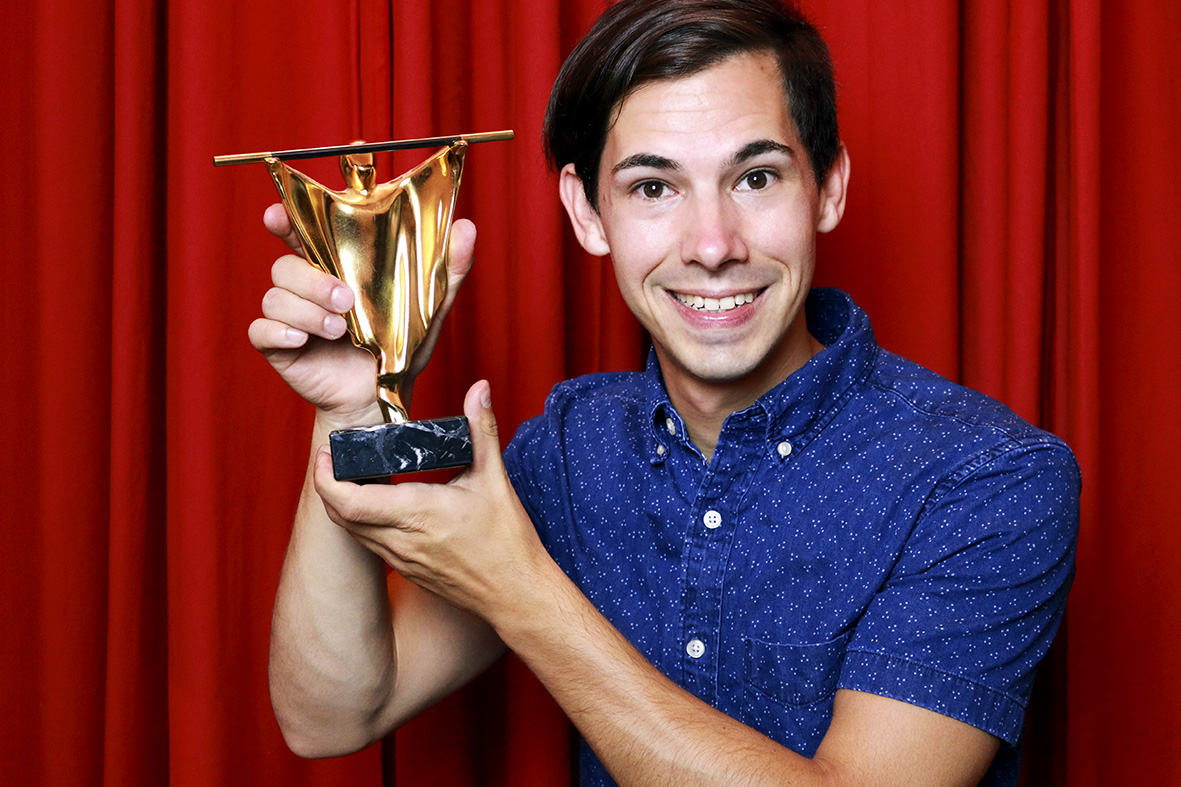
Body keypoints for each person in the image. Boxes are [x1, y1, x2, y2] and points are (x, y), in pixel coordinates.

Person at [249, 0, 1079, 784]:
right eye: (654, 187)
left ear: (827, 188)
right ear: (587, 213)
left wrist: (521, 590)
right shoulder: (567, 450)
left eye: (755, 178)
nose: (712, 245)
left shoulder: (988, 478)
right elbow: (329, 715)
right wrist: (350, 411)